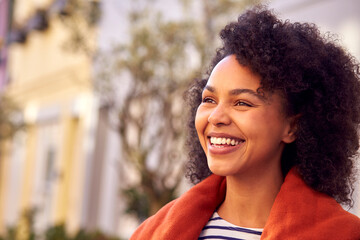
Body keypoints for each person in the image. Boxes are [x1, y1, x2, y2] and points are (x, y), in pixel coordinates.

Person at [130, 6, 360, 240]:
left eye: (242, 103)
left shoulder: (344, 234)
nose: (215, 117)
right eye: (209, 99)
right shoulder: (152, 233)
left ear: (292, 127)